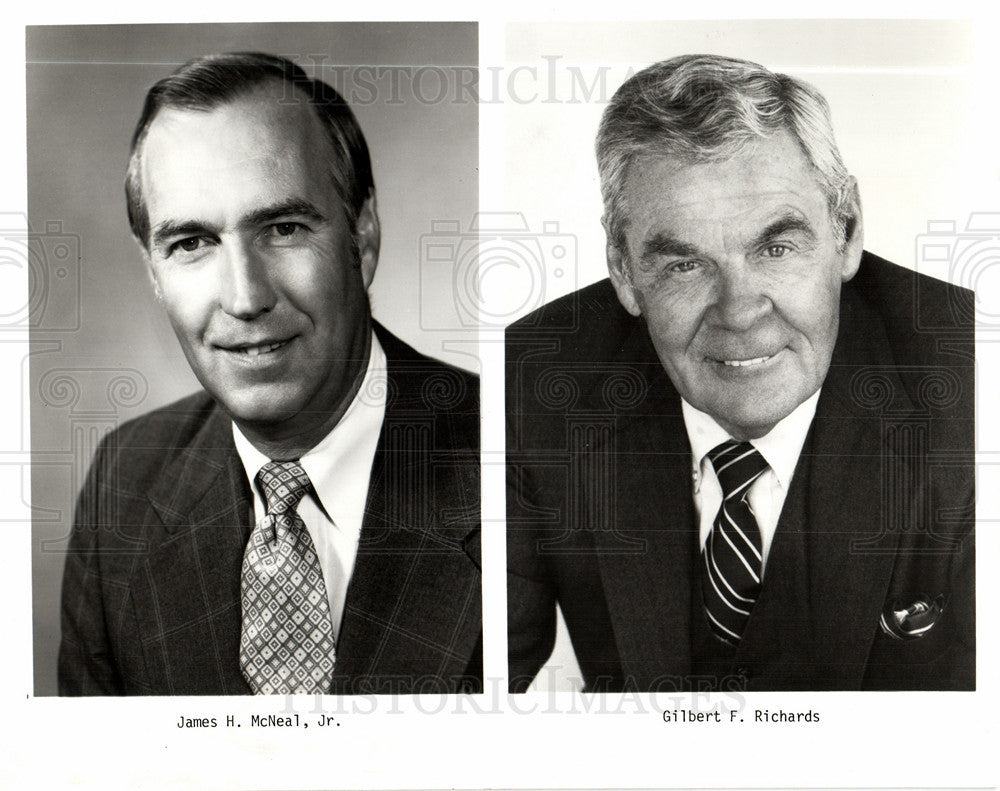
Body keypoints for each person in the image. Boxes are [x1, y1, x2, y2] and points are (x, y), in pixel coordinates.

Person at [506, 54, 975, 692]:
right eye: (685, 265)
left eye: (776, 248)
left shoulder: (974, 380)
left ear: (848, 230)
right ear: (623, 268)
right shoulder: (531, 383)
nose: (740, 312)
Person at [58, 52, 481, 696]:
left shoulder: (521, 460)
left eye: (283, 228)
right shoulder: (122, 486)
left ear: (361, 237)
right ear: (153, 272)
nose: (245, 297)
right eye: (192, 244)